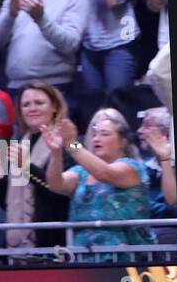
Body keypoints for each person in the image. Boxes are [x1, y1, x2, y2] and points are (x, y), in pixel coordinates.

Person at [41, 111, 152, 260]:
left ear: (122, 142)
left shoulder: (132, 167)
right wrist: (56, 152)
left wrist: (71, 144)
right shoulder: (81, 172)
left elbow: (105, 173)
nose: (96, 139)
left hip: (126, 259)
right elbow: (56, 184)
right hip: (83, 258)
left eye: (104, 134)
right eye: (94, 134)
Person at [0, 81, 72, 249]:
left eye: (39, 103)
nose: (32, 109)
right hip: (17, 243)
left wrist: (26, 167)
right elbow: (5, 203)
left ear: (54, 106)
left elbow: (60, 191)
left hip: (54, 240)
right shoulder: (18, 144)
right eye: (26, 105)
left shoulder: (70, 141)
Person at [138, 108, 177, 244]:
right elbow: (81, 150)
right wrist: (71, 144)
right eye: (94, 133)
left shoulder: (129, 167)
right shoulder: (142, 167)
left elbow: (173, 204)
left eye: (147, 126)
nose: (139, 131)